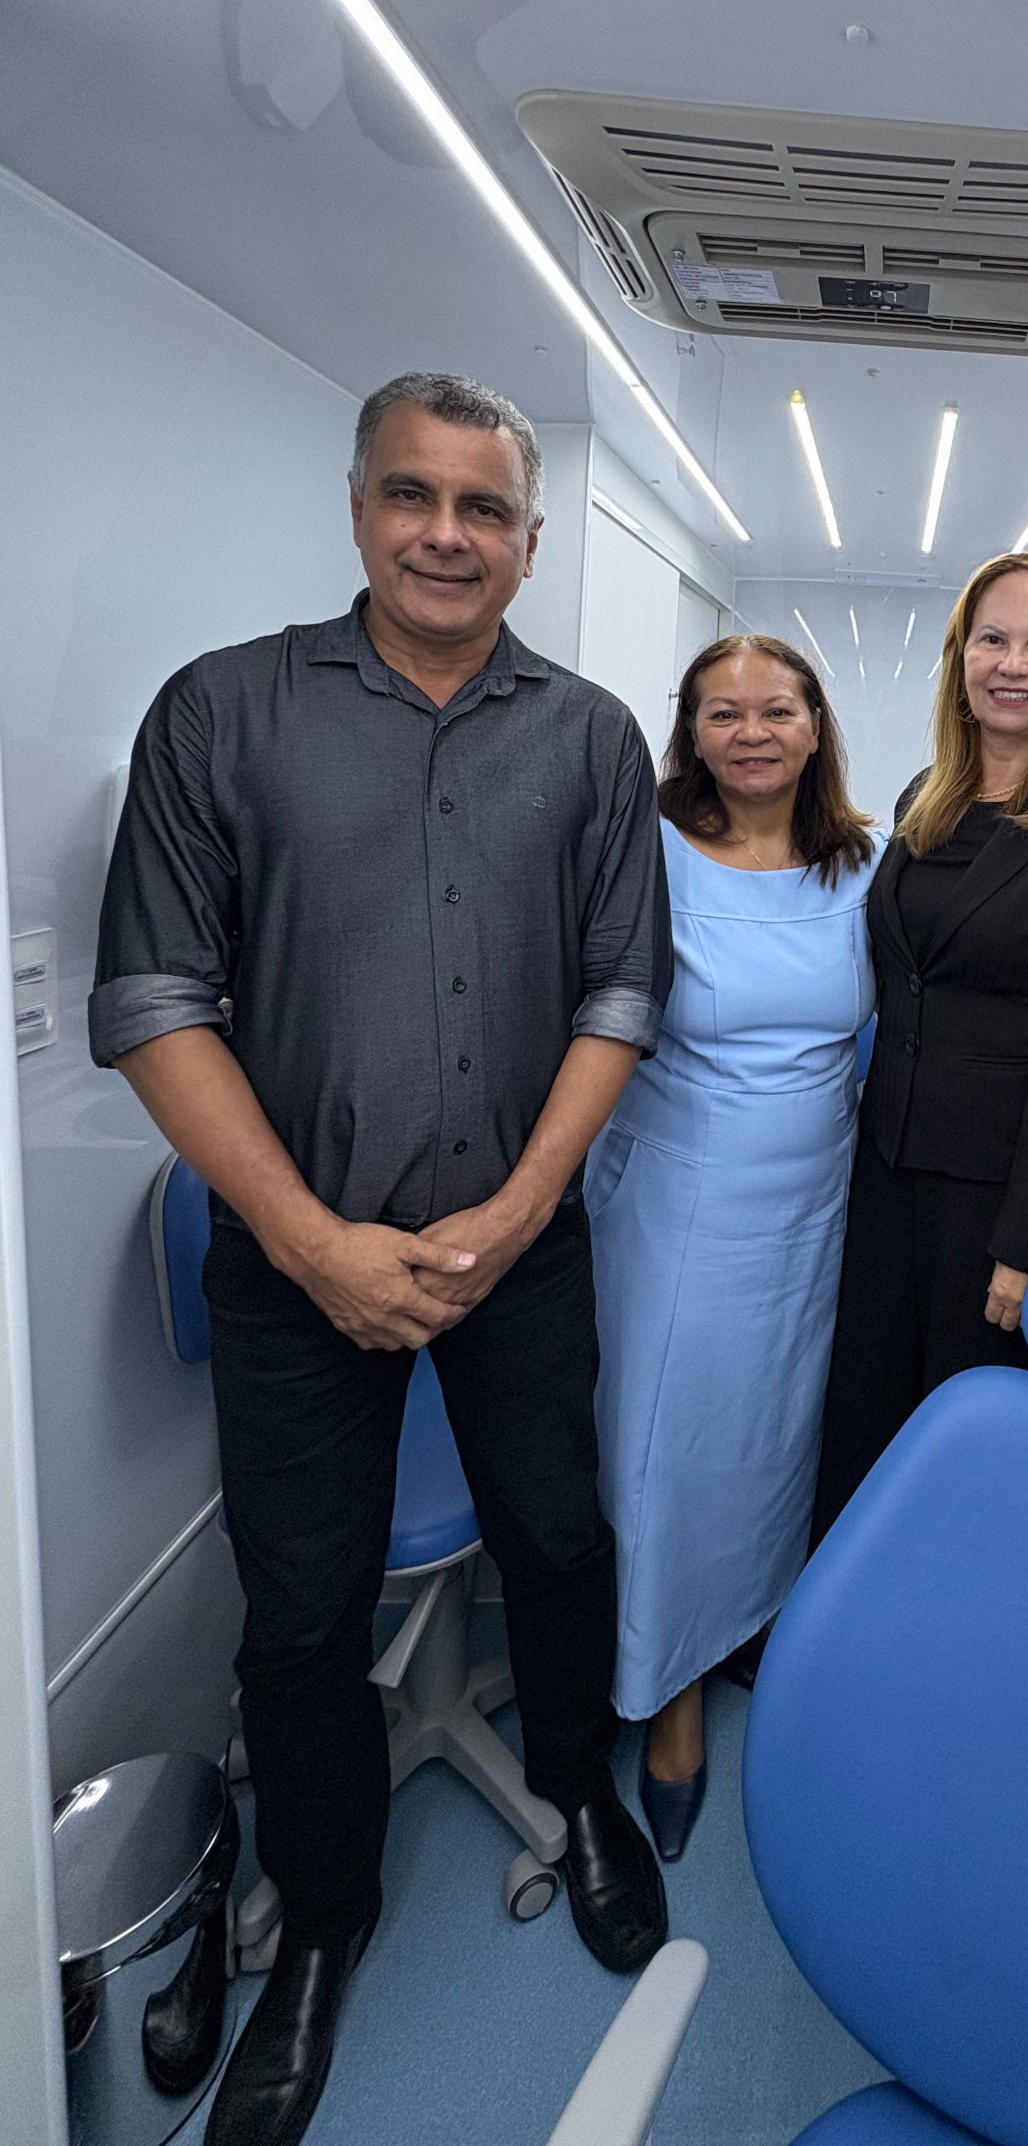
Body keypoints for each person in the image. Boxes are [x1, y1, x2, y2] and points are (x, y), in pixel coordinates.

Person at [88, 372, 672, 2146]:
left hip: (521, 1250)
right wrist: (311, 1239)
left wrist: (518, 1211)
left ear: (530, 542)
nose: (445, 534)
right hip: (298, 1262)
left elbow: (620, 996)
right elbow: (155, 1002)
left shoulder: (590, 739)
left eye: (483, 508)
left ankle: (577, 1795)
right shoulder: (222, 712)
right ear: (358, 509)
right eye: (413, 496)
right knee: (299, 1611)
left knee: (556, 1540)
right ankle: (324, 1920)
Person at [588, 634, 876, 1861]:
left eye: (777, 709)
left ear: (815, 725)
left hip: (818, 1202)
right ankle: (667, 1694)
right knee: (671, 1450)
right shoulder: (645, 848)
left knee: (774, 1436)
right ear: (691, 733)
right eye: (723, 712)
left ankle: (747, 1620)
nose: (752, 732)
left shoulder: (866, 863)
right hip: (679, 1200)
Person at [811, 551, 1028, 1540]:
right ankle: (849, 1616)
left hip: (997, 1190)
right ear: (960, 658)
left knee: (966, 1441)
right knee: (865, 1415)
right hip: (886, 1167)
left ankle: (953, 1626)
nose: (1013, 663)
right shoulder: (927, 796)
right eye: (992, 639)